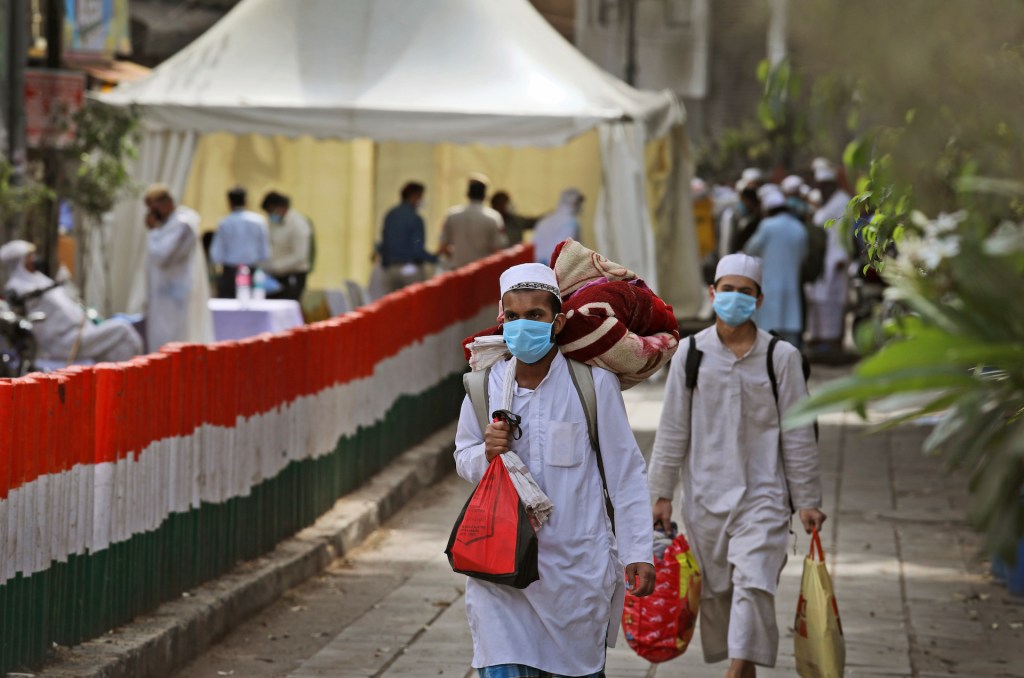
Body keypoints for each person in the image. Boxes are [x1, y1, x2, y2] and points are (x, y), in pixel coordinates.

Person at [454, 262, 655, 677]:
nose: (522, 325)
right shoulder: (484, 384)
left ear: (558, 321)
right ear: (501, 319)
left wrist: (638, 551)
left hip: (575, 575)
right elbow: (464, 457)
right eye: (512, 316)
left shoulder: (593, 385)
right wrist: (487, 454)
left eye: (535, 316)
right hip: (502, 576)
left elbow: (625, 472)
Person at [647, 253, 825, 678]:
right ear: (713, 293)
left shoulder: (780, 357)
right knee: (721, 595)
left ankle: (735, 671)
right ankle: (742, 668)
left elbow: (797, 434)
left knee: (754, 584)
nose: (735, 298)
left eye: (745, 292)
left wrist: (807, 501)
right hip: (705, 501)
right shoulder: (691, 353)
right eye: (727, 290)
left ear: (759, 300)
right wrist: (661, 494)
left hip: (764, 498)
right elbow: (673, 429)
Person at [0, 240, 143, 363]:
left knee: (120, 347)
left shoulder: (39, 278)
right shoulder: (16, 287)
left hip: (80, 331)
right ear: (20, 261)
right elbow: (26, 299)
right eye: (29, 257)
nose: (34, 259)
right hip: (64, 342)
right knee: (122, 328)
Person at [144, 184, 214, 351]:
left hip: (177, 297)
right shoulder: (166, 226)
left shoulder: (183, 224)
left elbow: (163, 257)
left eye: (154, 210)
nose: (151, 215)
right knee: (160, 343)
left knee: (176, 343)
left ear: (167, 204)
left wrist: (153, 231)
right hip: (161, 296)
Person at [743, 188, 808, 347]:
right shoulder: (799, 227)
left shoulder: (767, 226)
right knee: (790, 334)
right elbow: (803, 257)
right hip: (791, 287)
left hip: (769, 287)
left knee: (768, 333)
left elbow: (750, 249)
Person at [805, 164, 851, 352]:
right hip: (822, 261)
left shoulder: (842, 202)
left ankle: (832, 339)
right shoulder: (825, 204)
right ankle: (818, 337)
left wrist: (842, 256)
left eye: (825, 184)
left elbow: (843, 233)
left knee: (831, 300)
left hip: (835, 259)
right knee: (818, 299)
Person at [209, 186, 270, 298]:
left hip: (230, 273)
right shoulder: (258, 221)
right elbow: (264, 252)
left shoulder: (224, 222)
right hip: (252, 271)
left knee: (227, 309)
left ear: (230, 203)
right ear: (246, 202)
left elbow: (216, 253)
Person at [377, 181, 438, 293]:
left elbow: (384, 243)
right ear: (414, 196)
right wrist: (435, 258)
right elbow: (417, 250)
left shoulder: (391, 214)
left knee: (393, 306)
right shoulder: (415, 219)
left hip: (391, 270)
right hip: (410, 270)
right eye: (420, 197)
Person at [439, 176, 505, 270]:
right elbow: (498, 251)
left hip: (458, 272)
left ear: (467, 194)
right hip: (482, 273)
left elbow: (443, 248)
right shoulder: (494, 217)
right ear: (485, 196)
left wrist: (457, 257)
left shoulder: (452, 215)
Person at [260, 191, 313, 301]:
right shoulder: (272, 223)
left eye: (271, 211)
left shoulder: (298, 224)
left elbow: (300, 256)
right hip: (274, 277)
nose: (270, 215)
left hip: (293, 277)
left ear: (281, 208)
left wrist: (276, 267)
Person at [531, 188, 584, 267]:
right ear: (574, 204)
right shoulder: (571, 222)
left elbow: (534, 244)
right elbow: (565, 249)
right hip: (557, 267)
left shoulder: (545, 219)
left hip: (540, 267)